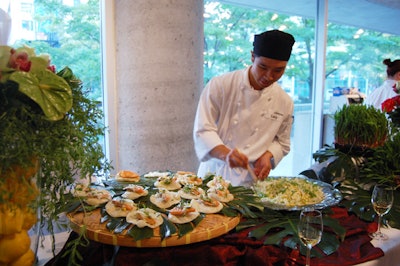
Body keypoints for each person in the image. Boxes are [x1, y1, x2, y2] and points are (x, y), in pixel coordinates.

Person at [193, 29, 295, 187]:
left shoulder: (284, 101)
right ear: (252, 57)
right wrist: (226, 155)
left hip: (252, 180)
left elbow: (282, 142)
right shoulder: (221, 85)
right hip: (214, 176)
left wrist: (269, 155)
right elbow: (203, 130)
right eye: (263, 67)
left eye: (278, 70)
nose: (269, 76)